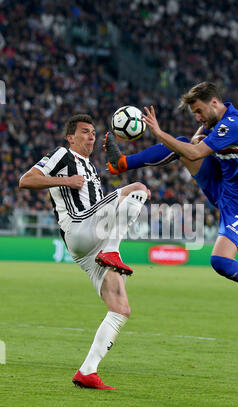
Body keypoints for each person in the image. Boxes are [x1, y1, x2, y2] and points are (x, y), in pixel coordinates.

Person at [104, 82, 238, 316]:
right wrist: (193, 139)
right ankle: (121, 164)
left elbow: (194, 152)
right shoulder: (217, 122)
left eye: (199, 111)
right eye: (195, 114)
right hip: (222, 182)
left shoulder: (235, 125)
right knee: (181, 142)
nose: (198, 117)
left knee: (221, 263)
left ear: (214, 102)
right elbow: (193, 145)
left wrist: (159, 133)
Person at [19, 114, 150, 390]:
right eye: (85, 132)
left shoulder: (90, 167)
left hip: (90, 246)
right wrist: (65, 182)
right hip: (79, 227)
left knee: (120, 309)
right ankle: (113, 250)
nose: (91, 136)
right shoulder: (61, 155)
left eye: (93, 132)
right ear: (70, 137)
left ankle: (87, 371)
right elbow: (26, 180)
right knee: (138, 189)